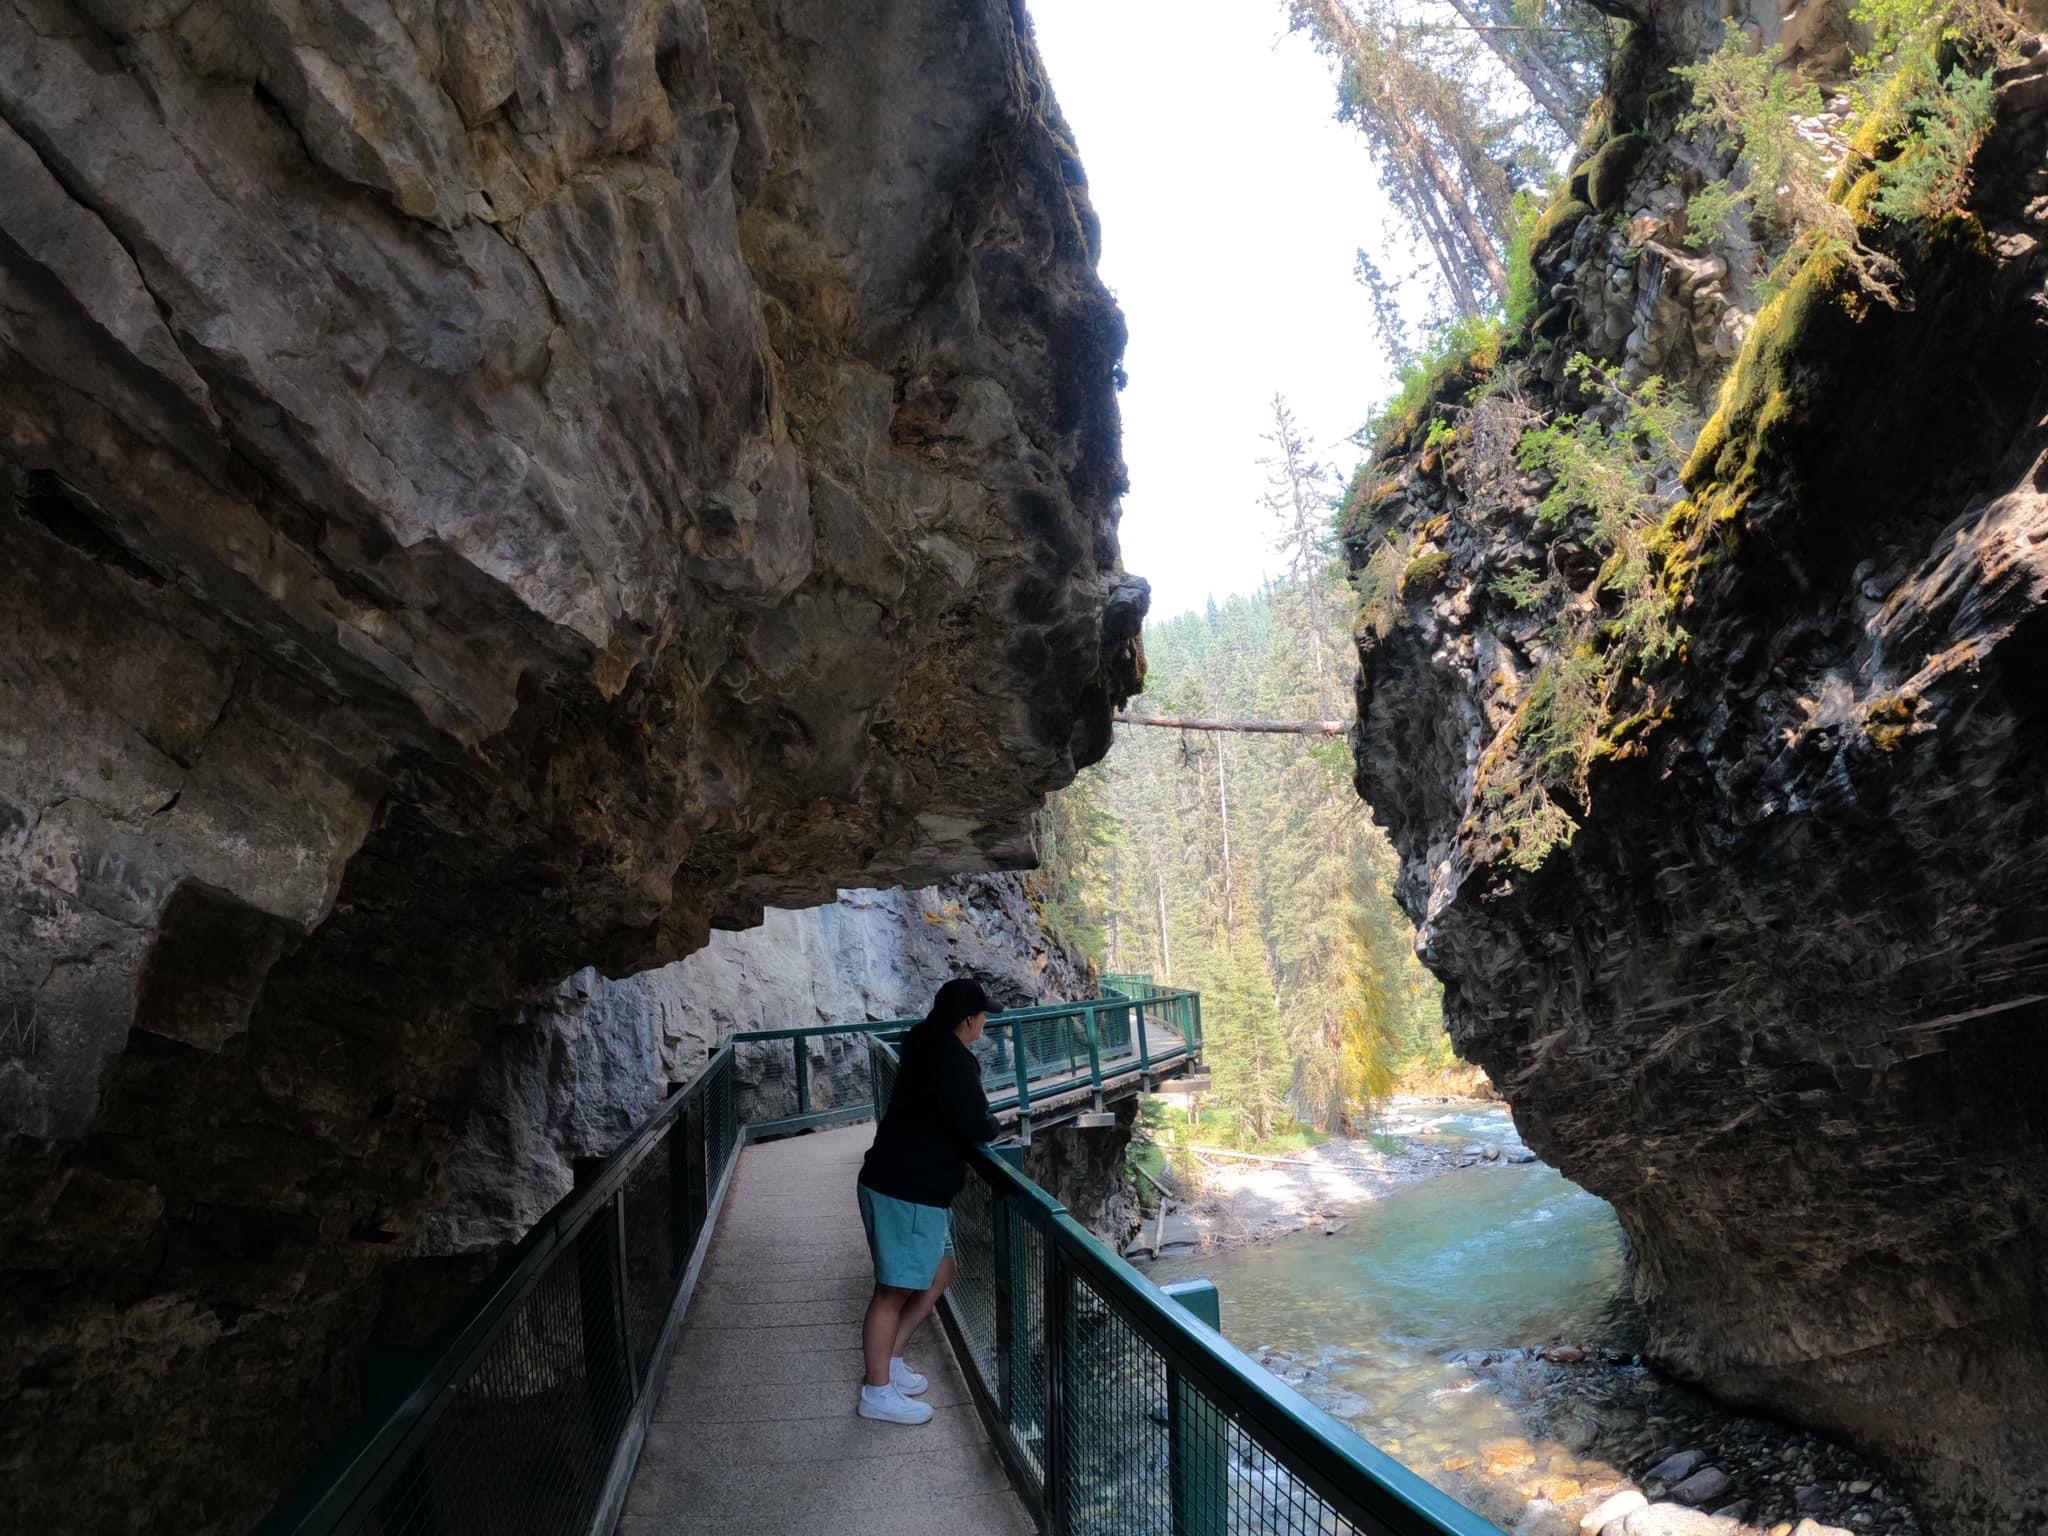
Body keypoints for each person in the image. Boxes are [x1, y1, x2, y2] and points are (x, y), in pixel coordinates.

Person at [853, 977, 1002, 1424]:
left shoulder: (923, 1040)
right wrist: (994, 1125)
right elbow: (977, 1123)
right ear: (969, 1020)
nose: (985, 1023)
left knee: (942, 1270)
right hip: (907, 1190)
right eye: (983, 1016)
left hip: (905, 1184)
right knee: (892, 1291)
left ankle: (892, 1361)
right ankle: (876, 1391)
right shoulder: (953, 1059)